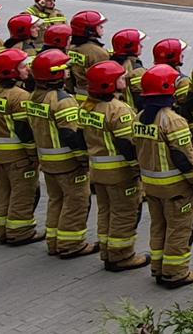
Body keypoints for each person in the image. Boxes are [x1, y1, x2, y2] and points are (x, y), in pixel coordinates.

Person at [134, 62, 193, 288]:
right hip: (175, 188)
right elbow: (183, 158)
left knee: (159, 226)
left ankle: (158, 266)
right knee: (180, 228)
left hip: (151, 185)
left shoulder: (140, 117)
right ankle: (175, 273)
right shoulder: (173, 121)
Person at [79, 60, 150, 272]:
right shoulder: (118, 110)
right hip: (120, 174)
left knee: (106, 211)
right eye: (119, 77)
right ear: (108, 84)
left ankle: (107, 251)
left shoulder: (87, 106)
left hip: (98, 172)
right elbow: (127, 145)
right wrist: (138, 169)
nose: (124, 77)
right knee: (124, 213)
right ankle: (121, 256)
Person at [27, 49, 96, 259]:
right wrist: (83, 159)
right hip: (67, 162)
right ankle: (71, 244)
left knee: (56, 200)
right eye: (64, 69)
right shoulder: (63, 101)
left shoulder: (35, 97)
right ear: (56, 73)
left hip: (48, 161)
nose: (68, 72)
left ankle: (54, 241)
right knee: (75, 202)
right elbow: (70, 134)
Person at [0, 48, 41, 246]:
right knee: (22, 193)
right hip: (18, 156)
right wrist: (33, 154)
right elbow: (24, 130)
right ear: (11, 71)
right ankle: (20, 232)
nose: (27, 69)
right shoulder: (19, 97)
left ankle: (3, 230)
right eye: (22, 67)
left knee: (4, 192)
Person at [67, 10, 110, 99]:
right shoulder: (97, 52)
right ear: (89, 30)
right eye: (98, 25)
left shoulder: (71, 48)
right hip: (95, 96)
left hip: (77, 93)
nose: (102, 27)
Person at [109, 28, 148, 104]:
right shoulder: (137, 70)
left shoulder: (112, 62)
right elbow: (140, 99)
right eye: (138, 44)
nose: (141, 46)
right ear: (131, 47)